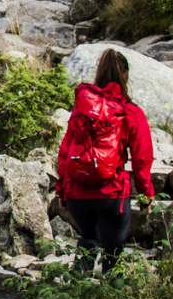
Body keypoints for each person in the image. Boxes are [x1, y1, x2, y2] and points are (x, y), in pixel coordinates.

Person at [56, 49, 155, 272]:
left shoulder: (82, 109)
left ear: (98, 73)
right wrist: (146, 194)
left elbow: (65, 152)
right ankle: (112, 289)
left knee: (87, 239)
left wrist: (62, 189)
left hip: (78, 193)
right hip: (112, 193)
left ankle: (77, 288)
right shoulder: (130, 111)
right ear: (125, 75)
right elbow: (142, 158)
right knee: (114, 250)